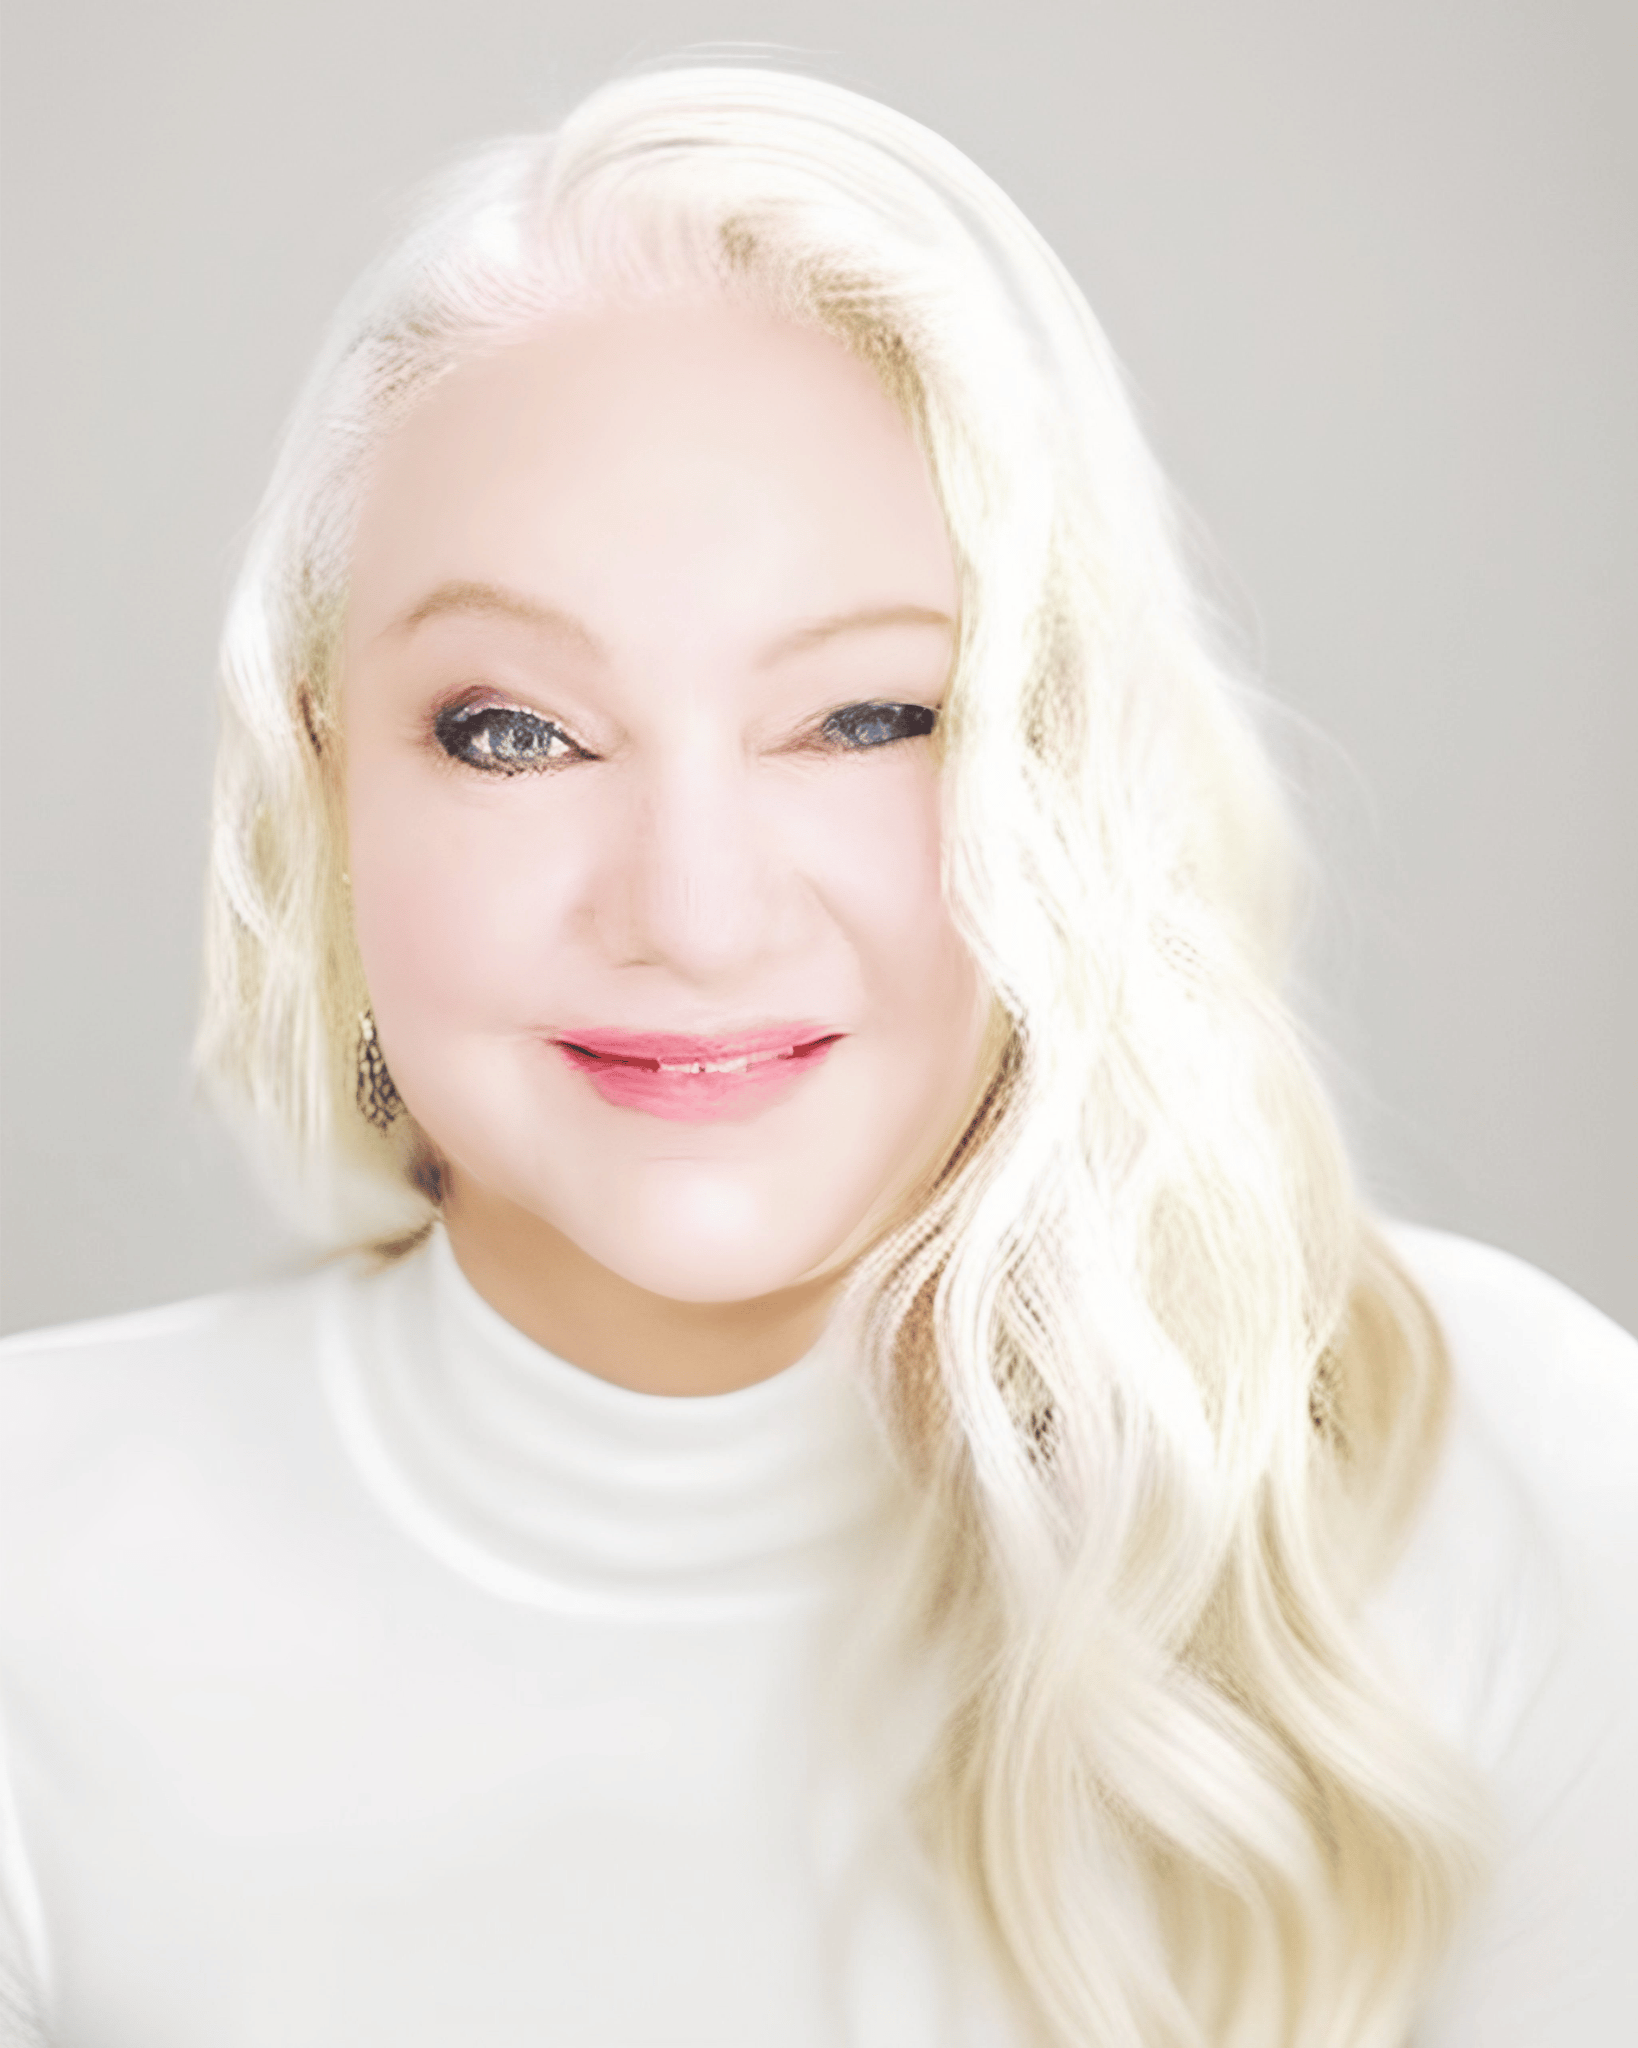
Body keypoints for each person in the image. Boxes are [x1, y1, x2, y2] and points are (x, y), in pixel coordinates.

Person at [0, 61, 1633, 2048]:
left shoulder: (1505, 1485)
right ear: (327, 791)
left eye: (867, 717)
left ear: (1064, 759)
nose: (692, 909)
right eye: (517, 727)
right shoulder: (37, 1567)